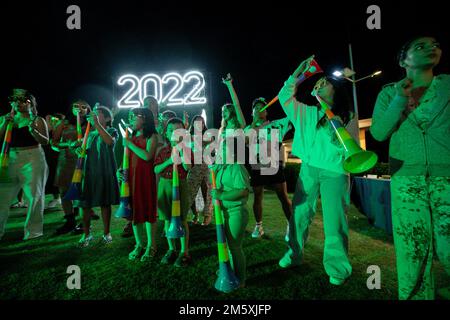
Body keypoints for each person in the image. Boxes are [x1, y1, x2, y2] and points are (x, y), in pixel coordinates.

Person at [371, 36, 450, 300]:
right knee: (413, 250)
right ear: (404, 60)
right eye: (420, 46)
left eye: (435, 44)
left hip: (446, 177)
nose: (432, 47)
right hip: (406, 178)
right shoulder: (388, 92)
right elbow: (379, 133)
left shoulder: (447, 86)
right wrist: (398, 100)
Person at [277, 56, 354, 286]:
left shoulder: (345, 115)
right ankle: (294, 253)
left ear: (336, 89)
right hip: (309, 169)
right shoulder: (306, 112)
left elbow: (349, 149)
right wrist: (297, 76)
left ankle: (338, 268)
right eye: (317, 84)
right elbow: (284, 97)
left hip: (336, 171)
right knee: (299, 214)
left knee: (335, 220)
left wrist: (337, 132)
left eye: (325, 83)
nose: (319, 85)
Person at [208, 73, 250, 287]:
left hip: (234, 202)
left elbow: (236, 103)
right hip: (223, 205)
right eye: (221, 111)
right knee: (225, 242)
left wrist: (229, 86)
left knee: (234, 244)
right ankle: (228, 269)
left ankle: (240, 279)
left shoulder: (240, 125)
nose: (222, 112)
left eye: (226, 110)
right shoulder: (224, 131)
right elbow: (216, 150)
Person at [0, 88, 49, 240]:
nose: (18, 104)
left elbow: (45, 141)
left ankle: (33, 232)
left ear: (30, 103)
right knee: (2, 195)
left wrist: (34, 131)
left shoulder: (37, 120)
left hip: (33, 157)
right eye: (15, 101)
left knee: (35, 195)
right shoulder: (6, 118)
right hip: (9, 157)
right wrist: (3, 124)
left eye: (22, 101)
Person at [243, 97, 293, 239]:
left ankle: (291, 225)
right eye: (256, 108)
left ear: (267, 112)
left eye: (262, 108)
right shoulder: (248, 128)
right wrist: (254, 122)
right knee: (257, 196)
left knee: (282, 196)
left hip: (274, 163)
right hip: (257, 164)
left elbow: (293, 114)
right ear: (252, 113)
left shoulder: (278, 124)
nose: (259, 110)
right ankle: (259, 226)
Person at [77, 104, 120, 247]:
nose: (93, 115)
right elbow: (85, 152)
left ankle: (106, 233)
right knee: (85, 204)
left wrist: (96, 124)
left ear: (107, 119)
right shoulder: (88, 134)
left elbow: (109, 142)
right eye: (93, 113)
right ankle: (86, 234)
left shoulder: (112, 130)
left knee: (104, 203)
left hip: (104, 172)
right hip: (89, 172)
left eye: (98, 113)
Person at [119, 107, 158, 261]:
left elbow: (147, 156)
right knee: (134, 212)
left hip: (145, 179)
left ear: (144, 119)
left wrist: (130, 144)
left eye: (133, 117)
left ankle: (151, 245)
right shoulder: (132, 136)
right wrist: (120, 170)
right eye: (129, 116)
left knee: (148, 211)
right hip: (132, 179)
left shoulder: (152, 136)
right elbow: (126, 158)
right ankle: (139, 244)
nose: (130, 120)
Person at [154, 117, 192, 267]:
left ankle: (184, 251)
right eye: (171, 130)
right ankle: (172, 249)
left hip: (180, 186)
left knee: (182, 218)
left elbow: (188, 167)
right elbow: (156, 169)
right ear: (167, 133)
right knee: (167, 219)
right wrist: (169, 161)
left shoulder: (187, 149)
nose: (174, 133)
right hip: (165, 185)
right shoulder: (163, 151)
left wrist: (181, 152)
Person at [53, 101, 89, 234]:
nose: (79, 109)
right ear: (71, 109)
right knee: (64, 191)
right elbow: (54, 143)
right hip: (66, 160)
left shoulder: (91, 124)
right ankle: (70, 220)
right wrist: (67, 144)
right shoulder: (63, 123)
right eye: (76, 106)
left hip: (84, 161)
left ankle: (84, 221)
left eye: (83, 107)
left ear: (87, 110)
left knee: (83, 191)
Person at [186, 114, 213, 226]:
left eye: (201, 122)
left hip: (206, 167)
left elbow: (208, 141)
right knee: (191, 192)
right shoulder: (189, 135)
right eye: (197, 122)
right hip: (193, 168)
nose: (199, 124)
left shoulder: (208, 135)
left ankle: (207, 215)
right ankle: (195, 214)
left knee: (206, 191)